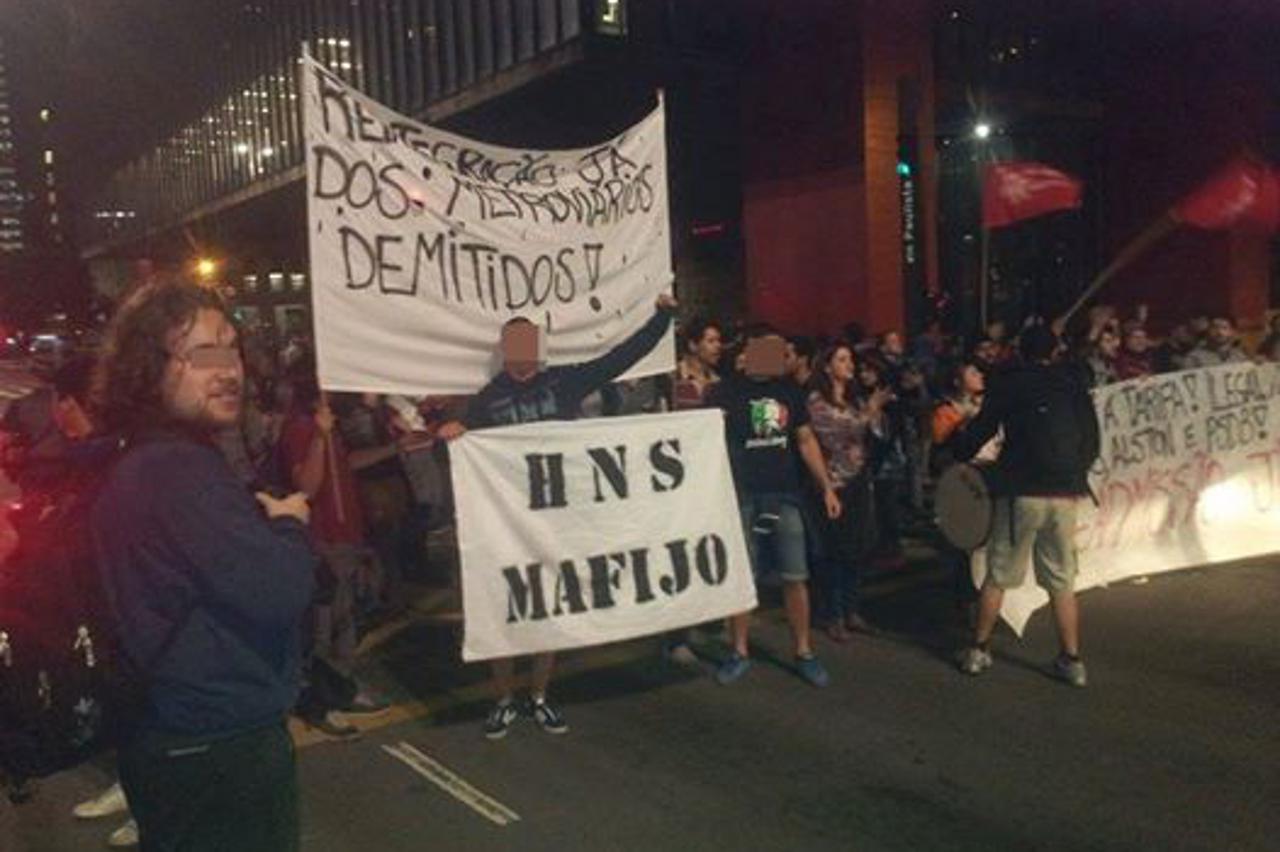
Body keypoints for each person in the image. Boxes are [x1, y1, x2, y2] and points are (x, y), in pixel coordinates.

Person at [89, 282, 317, 850]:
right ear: (148, 367)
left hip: (175, 733)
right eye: (202, 356)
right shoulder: (176, 470)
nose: (229, 371)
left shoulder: (142, 455)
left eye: (233, 350)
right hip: (217, 744)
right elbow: (280, 589)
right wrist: (289, 524)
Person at [439, 295, 678, 739]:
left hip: (555, 521)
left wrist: (663, 317)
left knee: (548, 609)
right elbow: (463, 459)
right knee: (504, 610)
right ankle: (504, 698)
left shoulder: (565, 382)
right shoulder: (486, 401)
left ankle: (539, 696)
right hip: (505, 525)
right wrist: (453, 436)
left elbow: (621, 357)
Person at [950, 326, 1099, 688]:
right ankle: (1072, 659)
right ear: (1055, 351)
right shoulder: (1072, 384)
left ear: (1021, 350)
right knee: (1062, 578)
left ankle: (978, 650)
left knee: (999, 570)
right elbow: (1092, 440)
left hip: (1022, 490)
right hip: (1065, 493)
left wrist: (959, 449)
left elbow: (981, 431)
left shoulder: (1010, 383)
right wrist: (1073, 472)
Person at [707, 326, 841, 688]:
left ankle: (803, 650)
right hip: (742, 496)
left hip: (785, 495)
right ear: (747, 353)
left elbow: (804, 439)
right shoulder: (724, 393)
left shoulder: (790, 392)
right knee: (742, 578)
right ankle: (739, 650)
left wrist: (825, 486)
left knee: (795, 575)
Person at [806, 342, 888, 641]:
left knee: (857, 547)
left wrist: (872, 413)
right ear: (827, 366)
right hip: (833, 482)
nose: (849, 364)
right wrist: (869, 413)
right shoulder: (817, 400)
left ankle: (853, 609)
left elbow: (869, 433)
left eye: (850, 359)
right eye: (841, 359)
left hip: (858, 479)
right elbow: (835, 433)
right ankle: (833, 613)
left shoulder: (854, 398)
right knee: (834, 550)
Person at [673, 317, 723, 410]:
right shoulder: (674, 376)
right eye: (711, 341)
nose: (718, 346)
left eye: (719, 341)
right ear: (693, 345)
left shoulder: (717, 382)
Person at [1184, 315, 1250, 367]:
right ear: (1208, 330)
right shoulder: (1194, 358)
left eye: (1224, 328)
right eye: (1215, 328)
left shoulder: (1239, 356)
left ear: (1231, 332)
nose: (1219, 332)